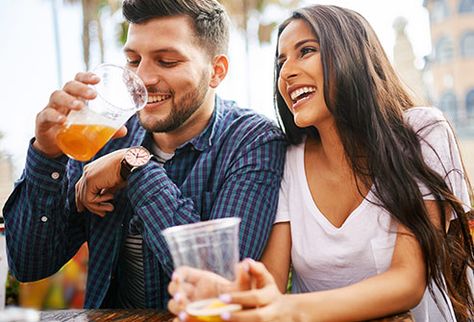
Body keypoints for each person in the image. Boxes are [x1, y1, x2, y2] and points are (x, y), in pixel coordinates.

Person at [167, 4, 474, 322]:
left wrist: (286, 309)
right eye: (281, 62)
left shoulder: (421, 132)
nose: (286, 72)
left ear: (352, 54)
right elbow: (270, 284)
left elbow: (407, 282)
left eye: (306, 51)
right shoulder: (288, 158)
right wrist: (226, 295)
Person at [2, 0, 286, 309]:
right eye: (133, 60)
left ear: (216, 71)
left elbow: (217, 286)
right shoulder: (105, 136)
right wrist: (47, 153)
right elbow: (29, 265)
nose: (143, 79)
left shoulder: (253, 141)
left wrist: (133, 166)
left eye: (166, 61)